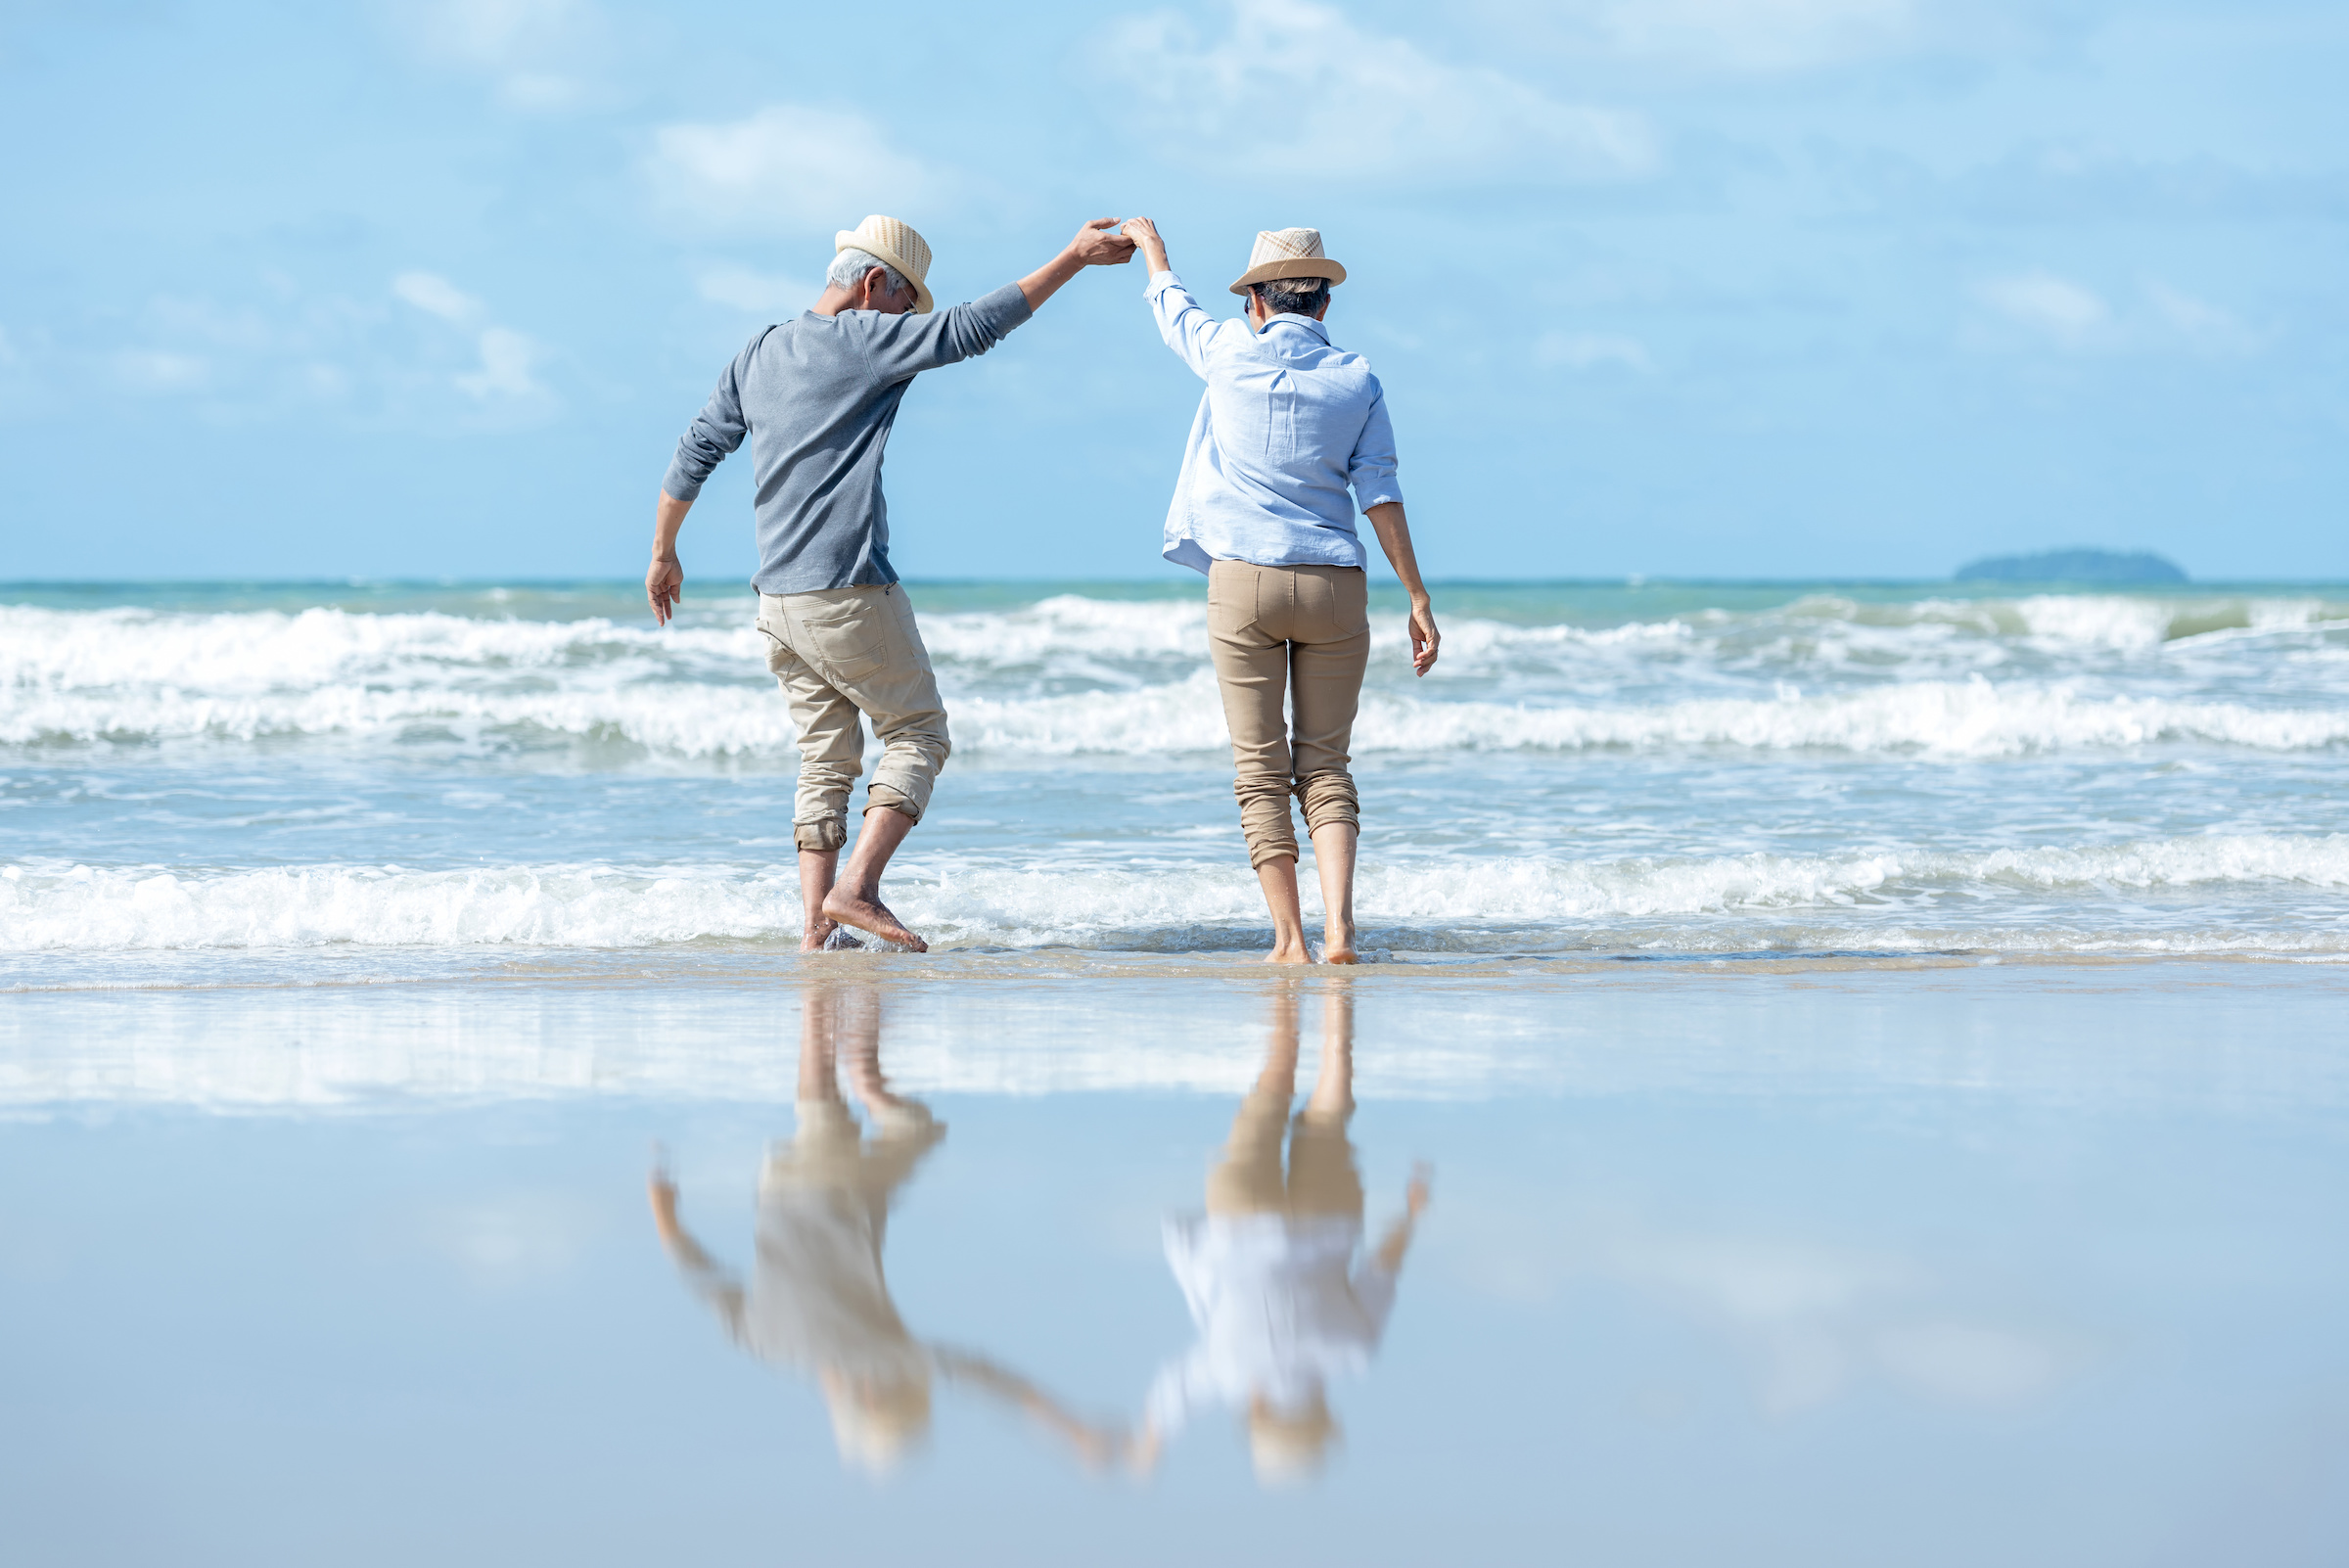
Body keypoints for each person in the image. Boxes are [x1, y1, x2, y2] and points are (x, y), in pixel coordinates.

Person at [648, 214, 1136, 952]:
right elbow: (974, 328)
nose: (911, 323)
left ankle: (817, 932)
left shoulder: (758, 350)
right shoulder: (865, 339)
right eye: (907, 306)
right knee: (918, 733)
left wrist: (663, 552)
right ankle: (858, 889)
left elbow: (696, 451)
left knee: (825, 760)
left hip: (776, 598)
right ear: (875, 285)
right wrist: (1072, 257)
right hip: (846, 588)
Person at [1120, 219, 1440, 964]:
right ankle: (1343, 933)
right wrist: (1417, 597)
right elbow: (1381, 492)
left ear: (1256, 304)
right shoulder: (1357, 378)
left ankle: (1289, 940)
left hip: (1244, 584)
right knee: (1325, 766)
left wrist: (1150, 246)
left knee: (1259, 770)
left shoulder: (1228, 354)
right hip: (1334, 583)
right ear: (1323, 306)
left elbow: (1172, 307)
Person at [648, 983, 1119, 1475]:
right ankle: (830, 991)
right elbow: (698, 1275)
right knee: (841, 1108)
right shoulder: (767, 1347)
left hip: (842, 1191)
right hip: (781, 1187)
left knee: (892, 1120)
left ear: (873, 1395)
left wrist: (1073, 1432)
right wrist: (664, 1209)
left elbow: (989, 1378)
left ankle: (847, 1027)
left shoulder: (884, 1358)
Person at [1128, 985, 1431, 1486]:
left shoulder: (1353, 1353)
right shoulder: (1226, 1370)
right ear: (1259, 1412)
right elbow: (1172, 1394)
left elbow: (1383, 1271)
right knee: (1271, 1090)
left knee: (1329, 1117)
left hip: (1327, 1221)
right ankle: (1288, 989)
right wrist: (1149, 1441)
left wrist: (1411, 1214)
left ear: (1323, 1413)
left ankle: (1335, 1011)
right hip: (1241, 1223)